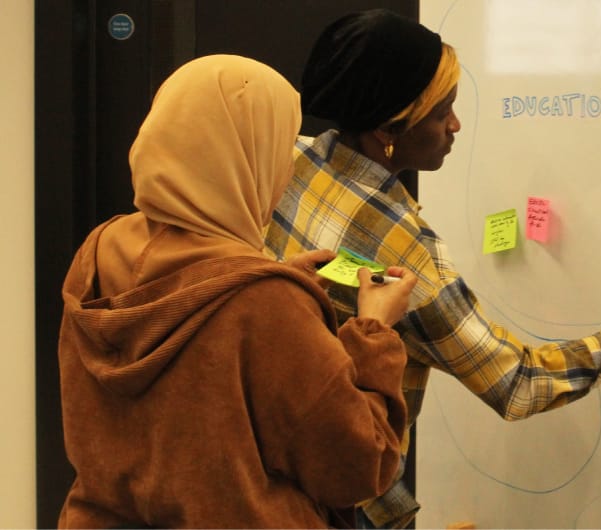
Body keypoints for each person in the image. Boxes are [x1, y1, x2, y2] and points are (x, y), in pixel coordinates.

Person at [263, 9, 601, 527]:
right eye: (440, 114)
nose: (455, 125)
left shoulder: (282, 165)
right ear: (389, 128)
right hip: (350, 497)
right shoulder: (409, 257)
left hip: (270, 470)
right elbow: (517, 382)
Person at [56, 54, 418, 528]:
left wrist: (270, 283)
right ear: (246, 154)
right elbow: (355, 466)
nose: (286, 171)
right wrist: (373, 330)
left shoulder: (97, 251)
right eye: (280, 147)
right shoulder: (265, 303)